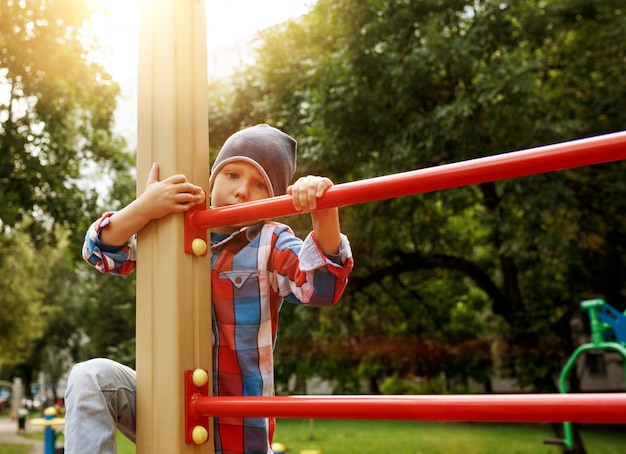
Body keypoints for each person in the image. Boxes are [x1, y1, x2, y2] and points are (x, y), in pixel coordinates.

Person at [64, 124, 354, 454]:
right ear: (212, 178)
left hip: (237, 427)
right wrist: (144, 207)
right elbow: (99, 252)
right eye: (231, 174)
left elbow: (322, 288)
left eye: (259, 184)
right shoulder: (173, 225)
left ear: (273, 199)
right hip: (168, 406)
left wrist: (325, 212)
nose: (242, 190)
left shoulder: (270, 240)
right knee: (91, 378)